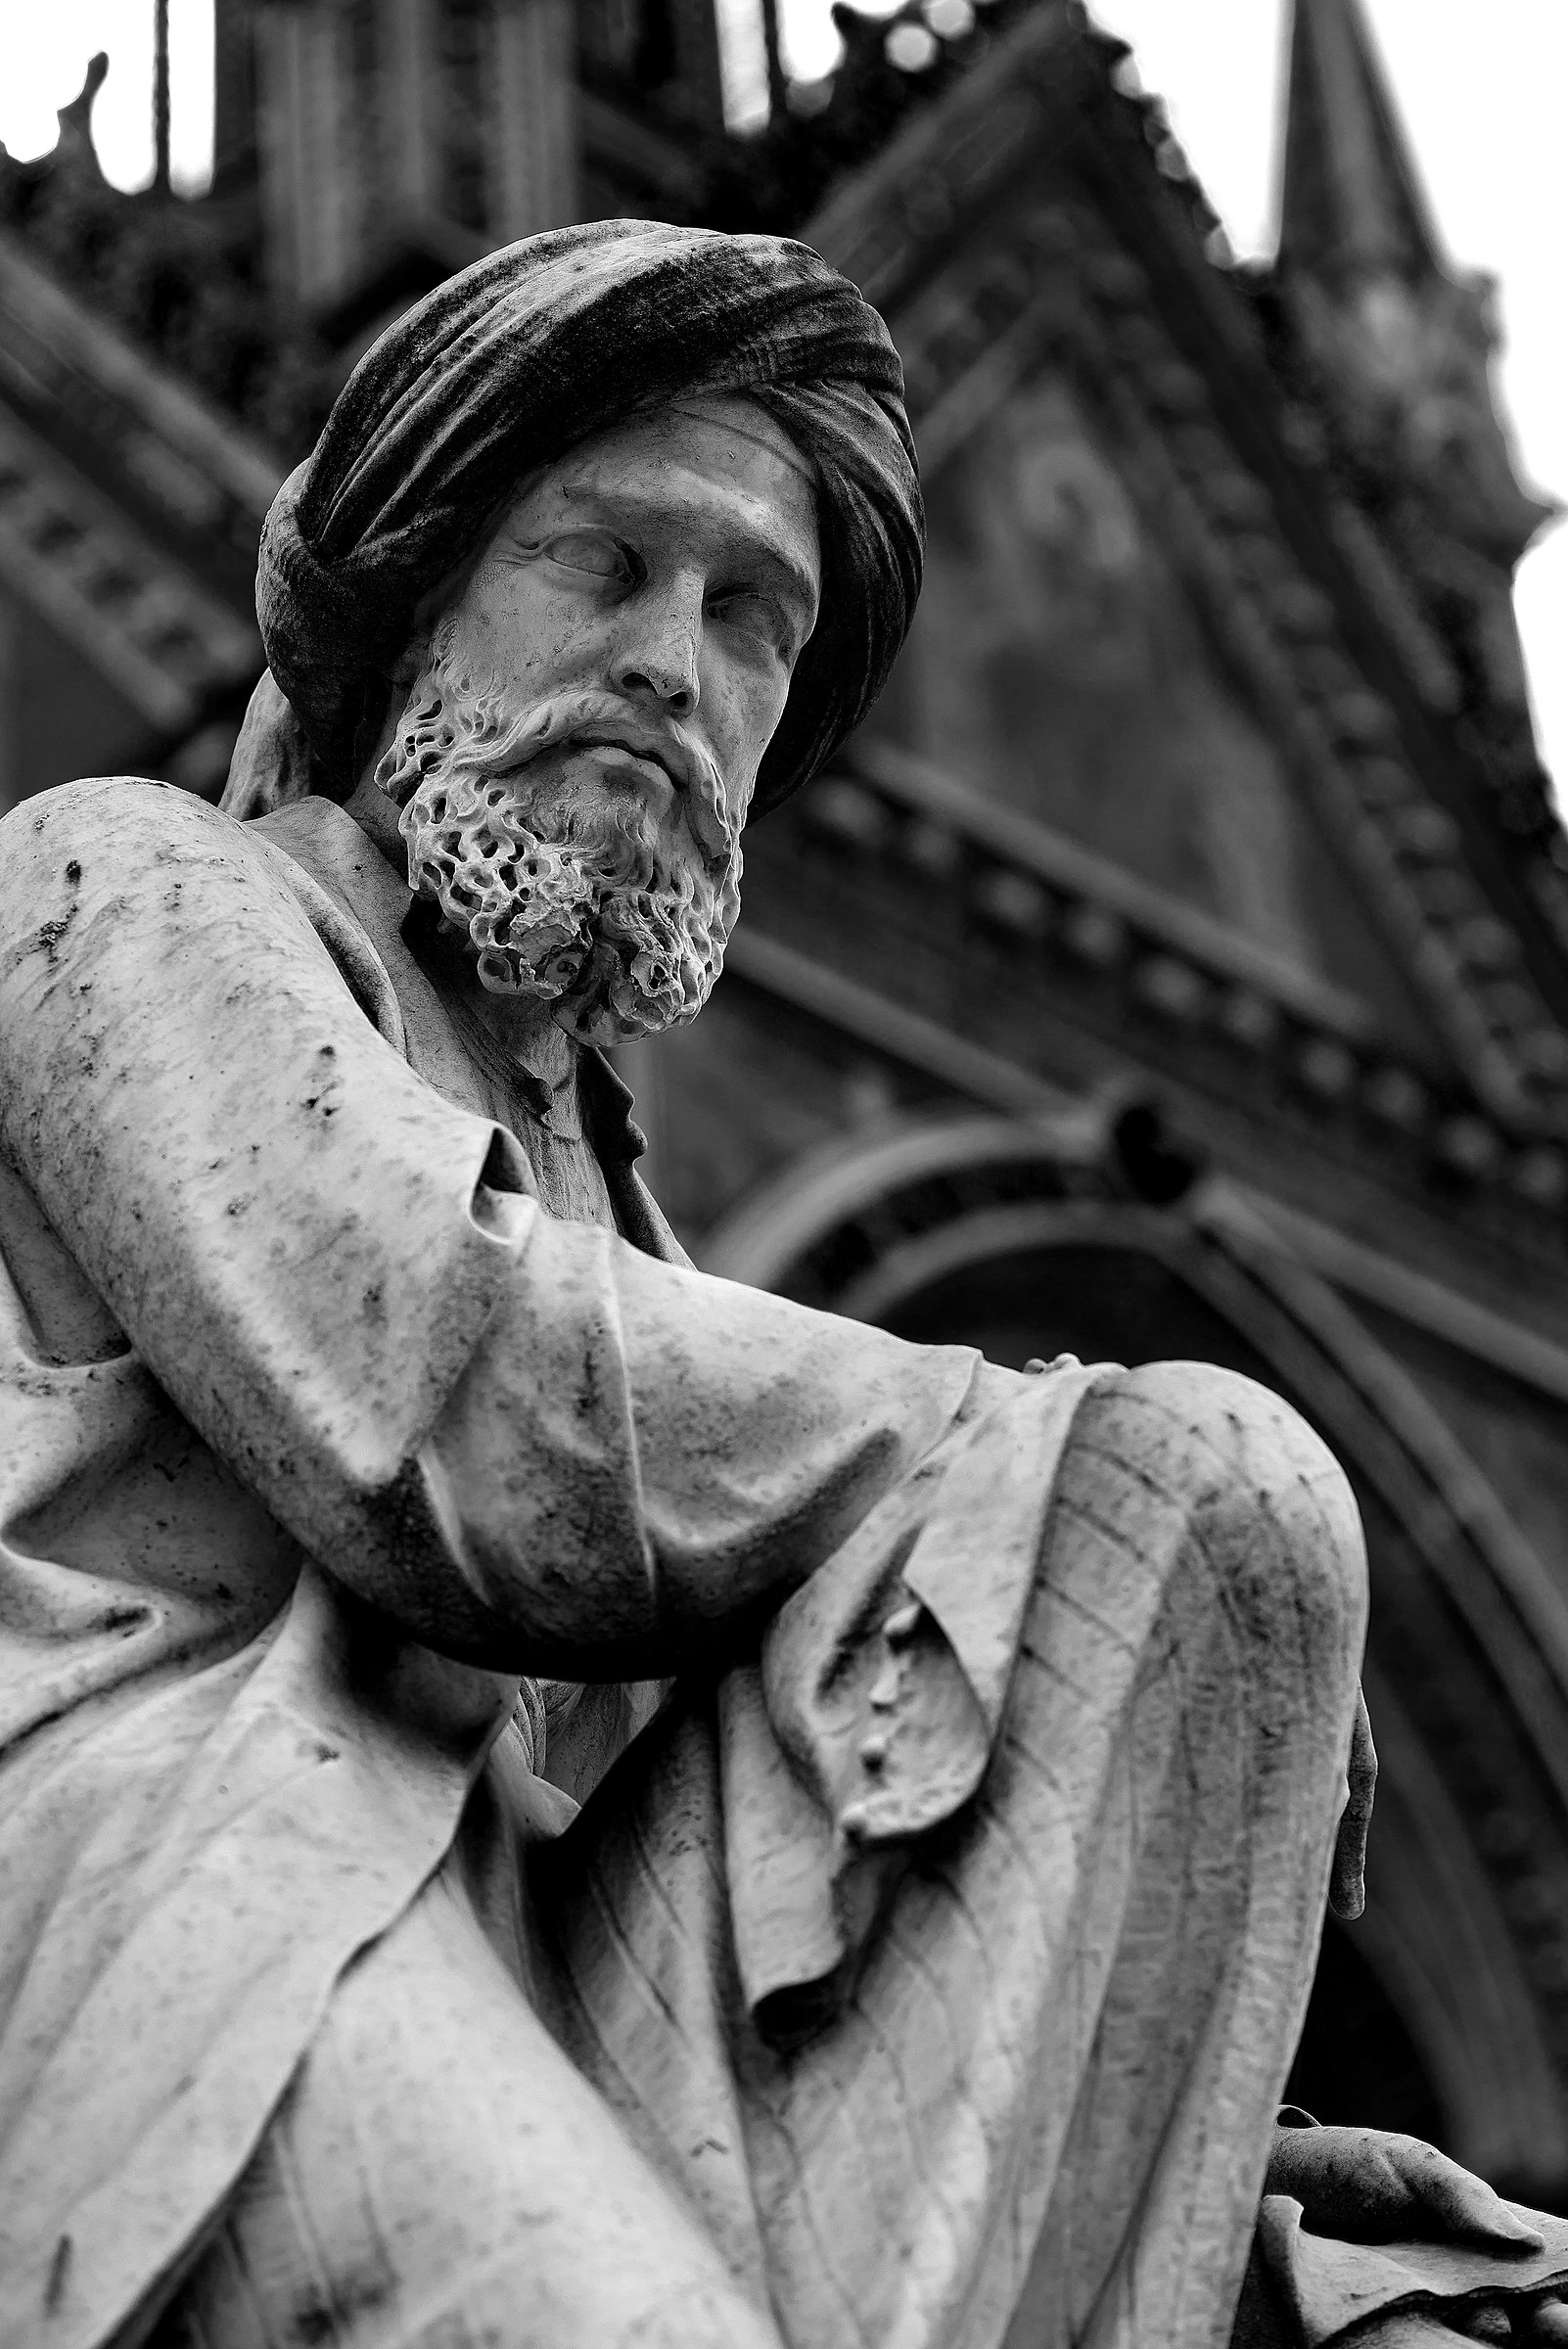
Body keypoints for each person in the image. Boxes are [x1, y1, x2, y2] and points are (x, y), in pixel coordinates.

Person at [0, 220, 1543, 2349]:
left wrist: (1229, 2170)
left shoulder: (631, 1227)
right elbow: (444, 1399)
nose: (671, 661)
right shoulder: (123, 887)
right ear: (419, 586)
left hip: (539, 1959)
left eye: (751, 617)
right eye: (601, 563)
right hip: (194, 1906)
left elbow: (779, 1803)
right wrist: (1020, 1451)